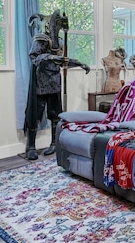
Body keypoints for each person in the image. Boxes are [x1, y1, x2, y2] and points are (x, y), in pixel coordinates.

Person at [24, 9, 89, 160]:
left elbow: (63, 60)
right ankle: (31, 146)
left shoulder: (59, 41)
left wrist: (79, 63)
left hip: (54, 82)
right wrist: (52, 57)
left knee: (55, 114)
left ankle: (54, 142)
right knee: (36, 114)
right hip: (41, 82)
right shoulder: (40, 39)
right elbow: (35, 57)